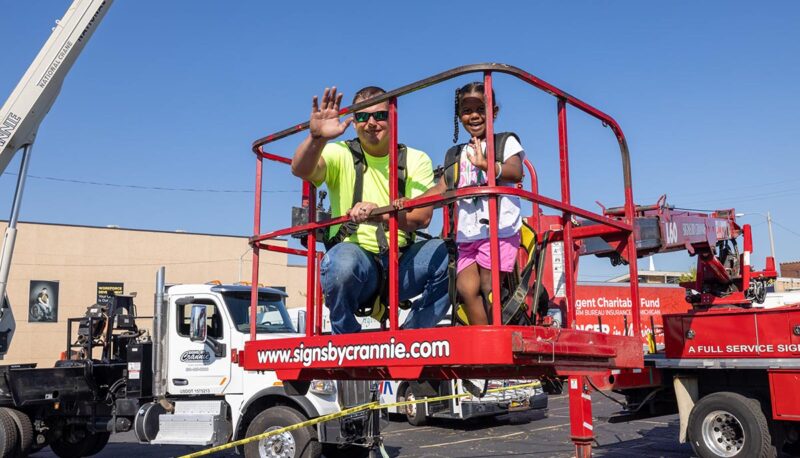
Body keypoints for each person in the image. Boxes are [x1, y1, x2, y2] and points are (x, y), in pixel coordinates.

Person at [291, 86, 449, 334]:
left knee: (451, 257)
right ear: (354, 122)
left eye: (380, 115)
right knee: (341, 264)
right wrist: (316, 137)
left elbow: (422, 216)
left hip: (402, 263)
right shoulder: (338, 152)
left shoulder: (416, 160)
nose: (371, 123)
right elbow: (300, 169)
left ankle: (410, 337)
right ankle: (347, 341)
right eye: (363, 117)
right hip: (357, 262)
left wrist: (379, 213)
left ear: (393, 117)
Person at [397, 82, 525, 325]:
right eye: (467, 110)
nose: (474, 115)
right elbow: (442, 188)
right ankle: (483, 338)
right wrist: (411, 202)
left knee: (489, 288)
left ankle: (496, 336)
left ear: (494, 112)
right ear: (459, 116)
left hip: (498, 231)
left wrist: (487, 165)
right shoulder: (456, 154)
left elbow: (515, 171)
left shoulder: (504, 142)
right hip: (468, 235)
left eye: (480, 108)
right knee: (466, 289)